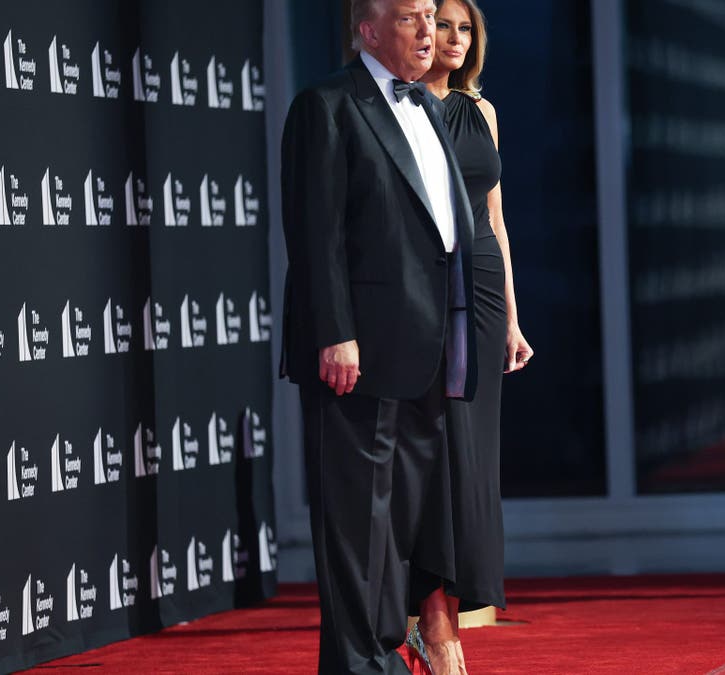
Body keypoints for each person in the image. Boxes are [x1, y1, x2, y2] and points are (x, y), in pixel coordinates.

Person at [278, 0, 479, 671]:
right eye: (411, 18)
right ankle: (358, 664)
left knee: (396, 527)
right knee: (356, 524)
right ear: (367, 30)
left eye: (431, 15)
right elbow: (316, 233)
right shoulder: (327, 106)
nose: (429, 31)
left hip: (426, 350)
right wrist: (335, 332)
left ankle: (384, 653)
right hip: (358, 352)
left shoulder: (427, 108)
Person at [404, 0, 533, 672]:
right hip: (424, 289)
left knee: (473, 463)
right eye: (441, 26)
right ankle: (433, 623)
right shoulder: (397, 111)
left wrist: (511, 318)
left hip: (480, 291)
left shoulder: (481, 112)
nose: (452, 38)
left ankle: (445, 619)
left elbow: (496, 220)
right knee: (437, 457)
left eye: (463, 29)